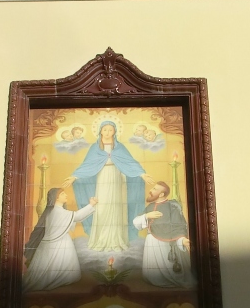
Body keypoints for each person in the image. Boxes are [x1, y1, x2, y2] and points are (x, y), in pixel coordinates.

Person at [66, 121, 153, 252]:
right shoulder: (95, 148)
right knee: (101, 207)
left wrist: (142, 174)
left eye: (110, 130)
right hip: (102, 177)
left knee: (116, 206)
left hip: (116, 178)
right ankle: (101, 239)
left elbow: (130, 162)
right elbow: (87, 165)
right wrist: (75, 176)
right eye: (105, 129)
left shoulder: (119, 147)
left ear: (114, 132)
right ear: (100, 131)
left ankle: (116, 240)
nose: (107, 132)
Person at [22, 188, 97, 291]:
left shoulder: (52, 211)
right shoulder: (57, 212)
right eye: (62, 194)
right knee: (53, 275)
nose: (66, 195)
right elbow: (78, 216)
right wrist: (91, 204)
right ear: (56, 197)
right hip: (57, 245)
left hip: (53, 244)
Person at [133, 181, 194, 287]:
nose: (151, 190)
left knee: (170, 269)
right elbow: (136, 222)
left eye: (155, 189)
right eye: (153, 188)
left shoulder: (173, 206)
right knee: (153, 274)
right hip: (152, 242)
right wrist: (147, 216)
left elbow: (179, 225)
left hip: (167, 243)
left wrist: (182, 240)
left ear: (161, 194)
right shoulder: (150, 207)